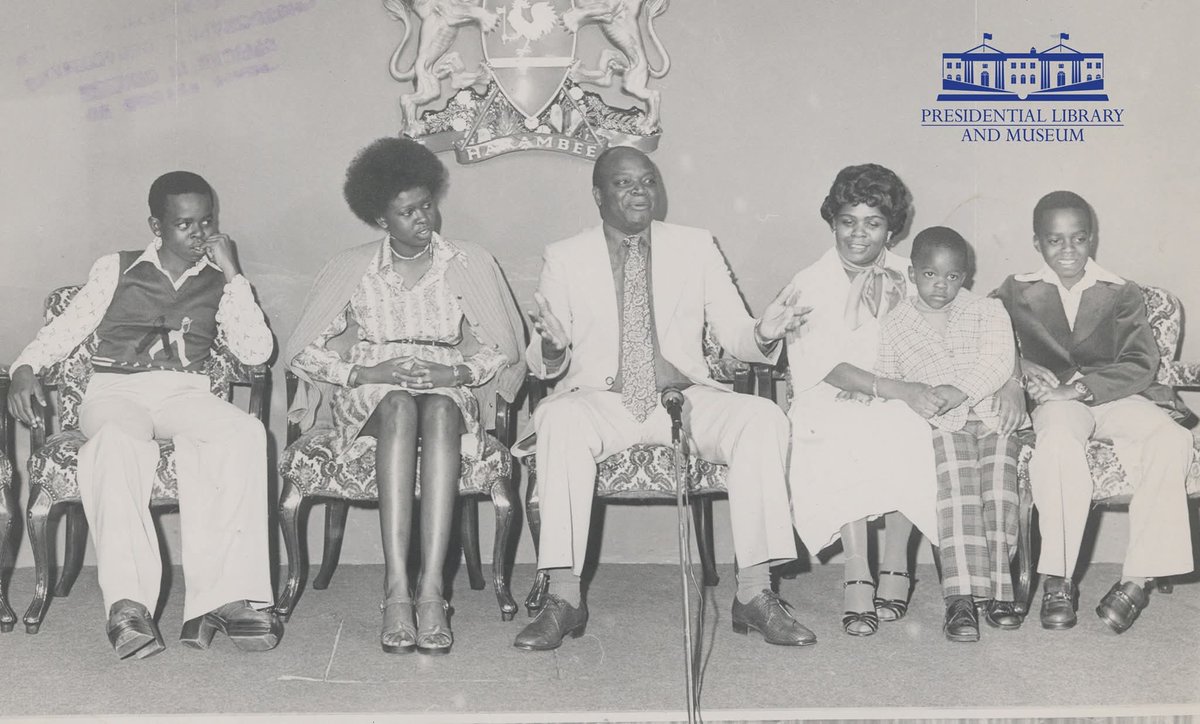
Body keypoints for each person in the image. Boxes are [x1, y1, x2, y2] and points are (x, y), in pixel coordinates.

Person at [514, 146, 813, 651]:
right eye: (624, 183)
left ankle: (755, 593)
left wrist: (764, 331)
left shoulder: (695, 246)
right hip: (601, 399)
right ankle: (564, 598)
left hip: (682, 397)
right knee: (557, 420)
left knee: (762, 417)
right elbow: (542, 358)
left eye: (648, 181)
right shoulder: (565, 256)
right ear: (598, 195)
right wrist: (551, 346)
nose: (639, 191)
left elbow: (736, 331)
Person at [7, 171, 280, 660]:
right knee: (114, 442)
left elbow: (257, 354)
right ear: (157, 225)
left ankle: (231, 596)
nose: (199, 234)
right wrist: (27, 365)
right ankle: (128, 605)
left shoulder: (221, 278)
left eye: (207, 221)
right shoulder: (117, 267)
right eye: (184, 224)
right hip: (117, 390)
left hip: (184, 392)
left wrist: (234, 273)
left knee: (243, 432)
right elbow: (67, 327)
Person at [284, 138, 526, 655]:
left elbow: (502, 349)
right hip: (372, 391)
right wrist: (368, 369)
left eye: (427, 205)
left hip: (446, 386)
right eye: (406, 211)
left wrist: (453, 372)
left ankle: (433, 591)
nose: (423, 218)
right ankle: (397, 590)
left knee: (437, 411)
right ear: (380, 219)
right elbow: (303, 351)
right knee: (396, 405)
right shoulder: (352, 267)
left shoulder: (469, 261)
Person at [992, 190, 1194, 634]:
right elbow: (986, 339)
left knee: (1173, 439)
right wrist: (1024, 368)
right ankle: (1058, 579)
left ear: (1092, 239)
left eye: (1078, 239)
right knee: (1060, 440)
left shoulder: (1120, 292)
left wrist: (1080, 389)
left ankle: (1136, 579)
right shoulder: (1014, 290)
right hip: (1054, 405)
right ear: (1037, 242)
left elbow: (1141, 363)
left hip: (1114, 394)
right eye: (1055, 240)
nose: (1068, 251)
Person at [785, 163, 939, 637]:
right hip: (827, 393)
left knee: (910, 427)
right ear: (832, 221)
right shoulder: (810, 282)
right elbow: (823, 364)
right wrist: (888, 389)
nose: (859, 233)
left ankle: (896, 564)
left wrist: (902, 391)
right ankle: (858, 571)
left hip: (895, 391)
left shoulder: (907, 275)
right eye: (848, 220)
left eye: (873, 223)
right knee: (843, 431)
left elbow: (958, 318)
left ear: (891, 228)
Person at [874, 226, 1025, 641]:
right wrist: (912, 398)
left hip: (995, 417)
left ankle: (998, 592)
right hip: (943, 424)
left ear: (966, 276)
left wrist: (960, 390)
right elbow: (889, 376)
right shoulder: (895, 323)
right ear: (912, 274)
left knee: (999, 492)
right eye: (929, 275)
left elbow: (998, 361)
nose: (941, 286)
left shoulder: (988, 310)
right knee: (958, 497)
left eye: (952, 277)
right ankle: (960, 599)